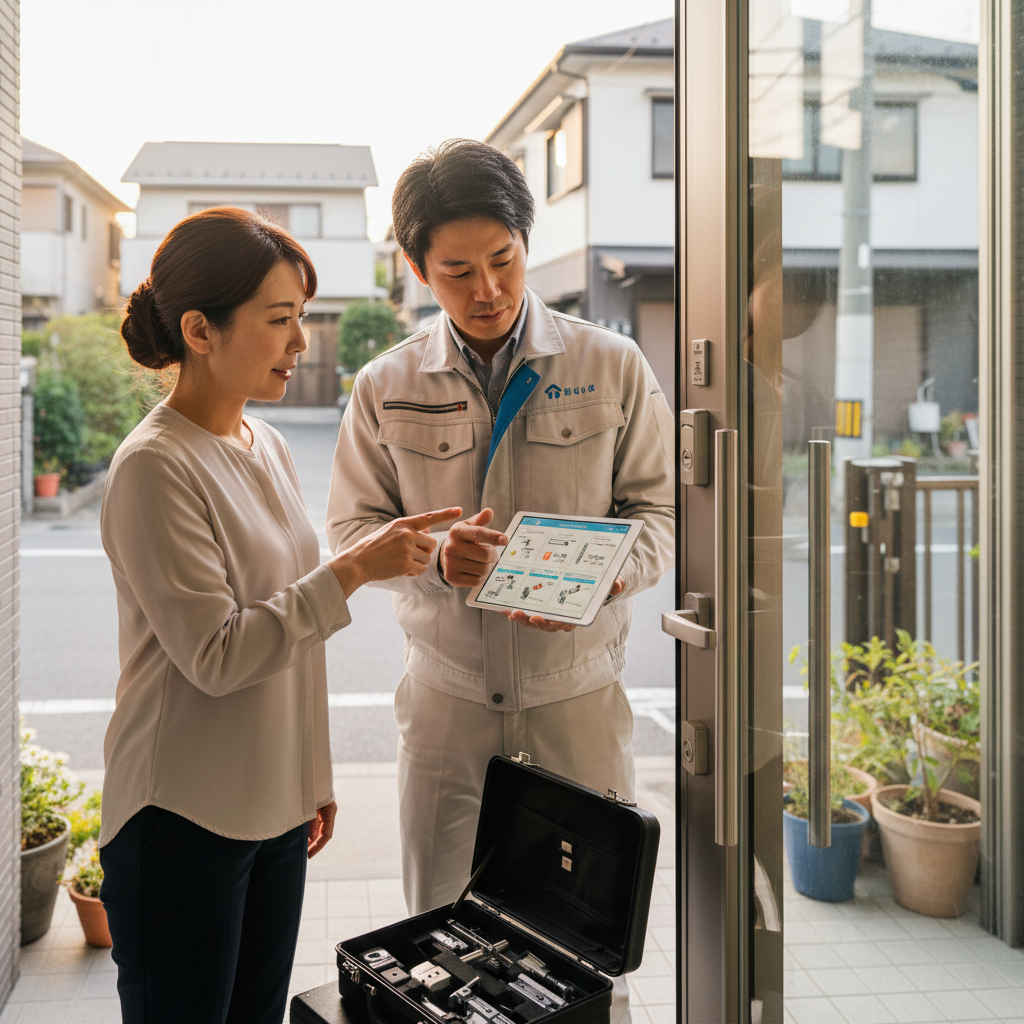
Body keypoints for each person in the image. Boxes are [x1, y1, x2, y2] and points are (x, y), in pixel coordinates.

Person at [326, 138, 674, 992]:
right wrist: (434, 555)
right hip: (447, 715)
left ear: (526, 242)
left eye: (502, 261)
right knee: (439, 959)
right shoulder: (386, 383)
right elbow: (347, 533)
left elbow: (660, 518)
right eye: (455, 271)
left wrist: (601, 579)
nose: (485, 290)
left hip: (577, 706)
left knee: (582, 954)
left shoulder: (610, 365)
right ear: (415, 268)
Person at [98, 206, 459, 1024]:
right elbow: (218, 654)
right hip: (179, 814)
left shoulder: (267, 443)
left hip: (272, 807)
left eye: (301, 318)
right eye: (280, 320)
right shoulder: (154, 468)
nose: (302, 343)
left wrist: (310, 775)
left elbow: (293, 633)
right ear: (200, 329)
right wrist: (356, 569)